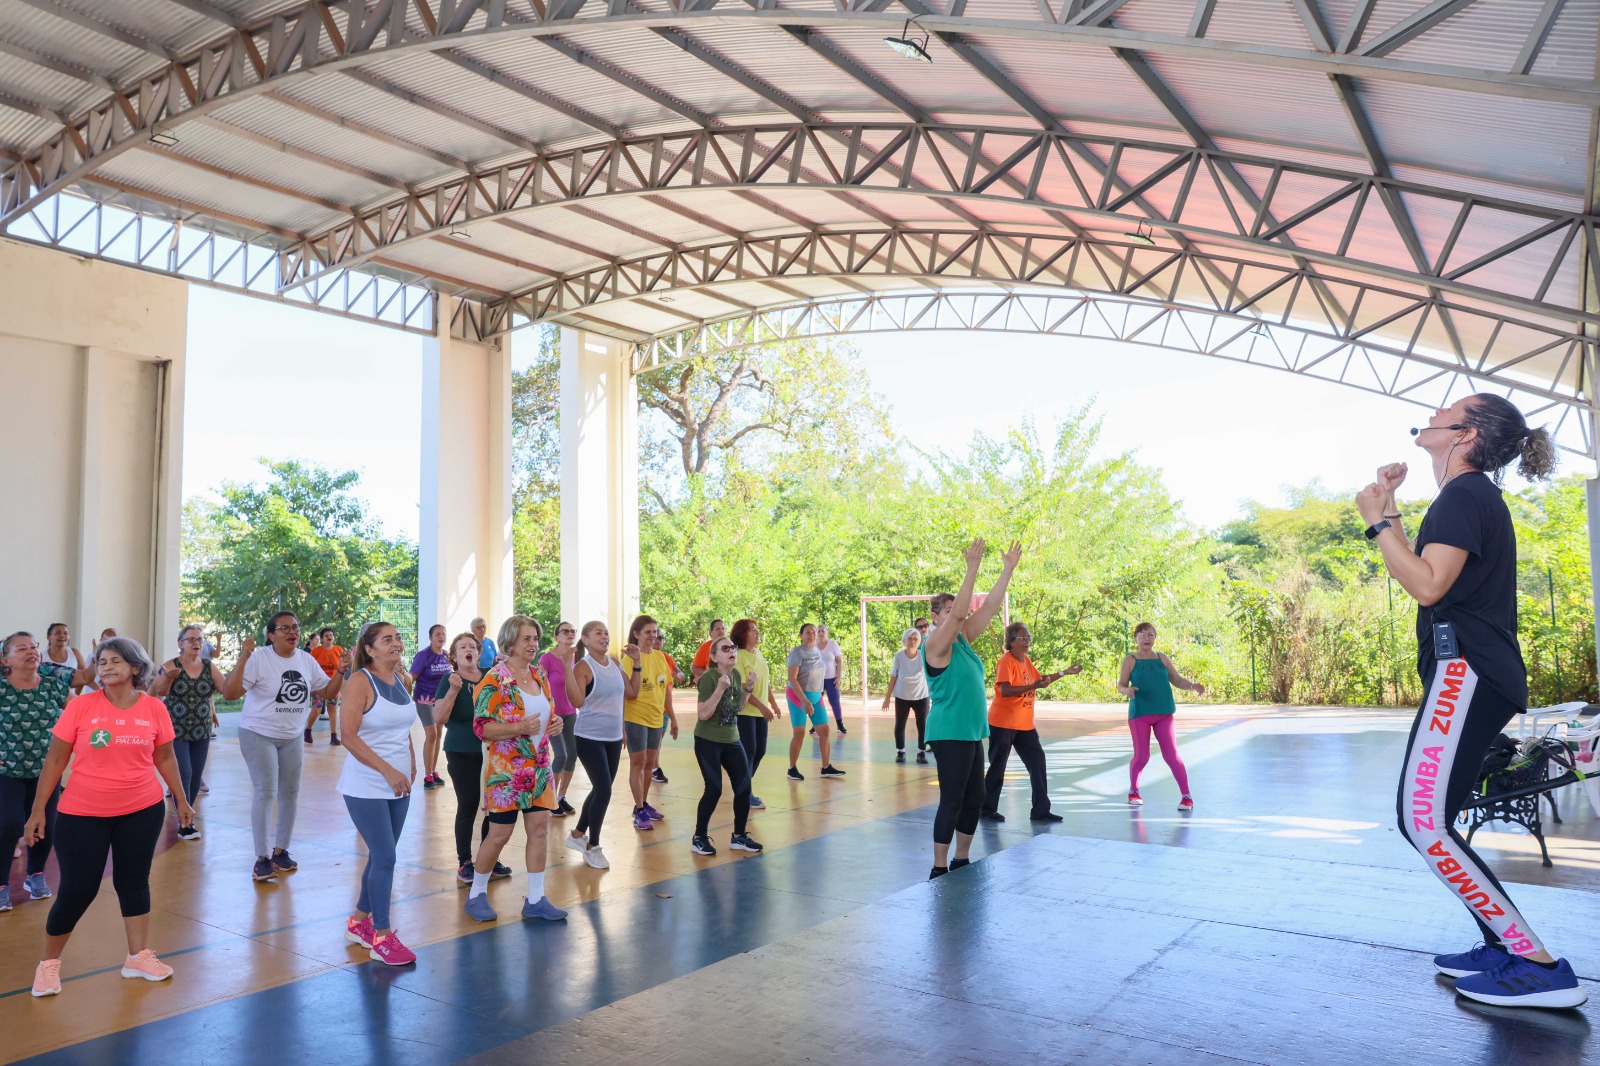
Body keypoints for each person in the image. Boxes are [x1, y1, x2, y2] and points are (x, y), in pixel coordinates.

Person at [1358, 395, 1585, 1009]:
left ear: (1465, 434)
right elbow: (1429, 573)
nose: (1431, 413)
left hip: (1467, 673)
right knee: (1433, 820)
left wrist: (1380, 522)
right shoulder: (1466, 497)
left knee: (1422, 821)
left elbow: (1428, 586)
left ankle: (1538, 964)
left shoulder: (1465, 496)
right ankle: (1501, 944)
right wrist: (1392, 510)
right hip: (1471, 672)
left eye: (1446, 410)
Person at [25, 637, 192, 998]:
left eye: (116, 660)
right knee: (78, 889)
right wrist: (38, 809)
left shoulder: (153, 709)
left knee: (133, 883)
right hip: (82, 813)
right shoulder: (81, 707)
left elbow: (165, 758)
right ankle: (49, 964)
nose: (106, 666)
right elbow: (55, 760)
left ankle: (137, 956)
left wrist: (181, 799)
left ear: (136, 668)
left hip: (142, 809)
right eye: (101, 661)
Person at [222, 611, 347, 882]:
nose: (293, 632)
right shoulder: (259, 658)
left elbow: (327, 692)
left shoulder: (306, 659)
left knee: (290, 793)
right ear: (270, 635)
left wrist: (340, 671)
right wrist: (244, 656)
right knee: (266, 791)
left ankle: (281, 851)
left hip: (291, 735)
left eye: (296, 627)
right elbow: (230, 693)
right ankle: (262, 858)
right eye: (284, 628)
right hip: (258, 733)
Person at [924, 538, 1020, 879]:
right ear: (936, 618)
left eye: (955, 610)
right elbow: (962, 613)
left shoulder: (962, 640)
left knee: (975, 797)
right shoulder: (934, 643)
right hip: (948, 730)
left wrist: (1007, 570)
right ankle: (939, 867)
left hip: (970, 731)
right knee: (951, 798)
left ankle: (961, 859)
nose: (957, 614)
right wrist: (972, 568)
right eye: (948, 610)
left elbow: (989, 607)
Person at [462, 616, 568, 923]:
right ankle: (476, 893)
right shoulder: (494, 679)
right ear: (509, 642)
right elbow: (481, 728)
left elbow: (546, 713)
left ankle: (535, 898)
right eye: (526, 638)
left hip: (538, 767)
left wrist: (555, 723)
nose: (533, 644)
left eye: (535, 638)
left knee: (539, 830)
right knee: (499, 834)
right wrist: (518, 727)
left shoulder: (539, 675)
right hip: (506, 772)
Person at [336, 622, 419, 965]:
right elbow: (349, 736)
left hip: (399, 784)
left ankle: (358, 921)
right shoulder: (360, 682)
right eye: (387, 639)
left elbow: (403, 729)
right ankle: (382, 937)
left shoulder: (401, 680)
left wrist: (411, 764)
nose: (396, 643)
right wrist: (386, 769)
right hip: (366, 786)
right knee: (385, 857)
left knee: (379, 856)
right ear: (369, 649)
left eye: (398, 637)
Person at [1, 632, 91, 912]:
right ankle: (2, 885)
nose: (31, 651)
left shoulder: (54, 687)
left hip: (46, 771)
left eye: (34, 647)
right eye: (21, 648)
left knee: (46, 825)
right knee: (8, 825)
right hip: (8, 771)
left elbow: (82, 713)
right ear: (6, 660)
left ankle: (35, 874)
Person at [981, 623, 1079, 823]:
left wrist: (1063, 673)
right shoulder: (1005, 662)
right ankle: (987, 809)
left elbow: (1040, 680)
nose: (1027, 642)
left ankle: (1041, 810)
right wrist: (1033, 685)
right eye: (1022, 638)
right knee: (998, 766)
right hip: (1003, 723)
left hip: (1024, 724)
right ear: (1010, 641)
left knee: (1037, 762)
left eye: (1028, 638)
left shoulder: (1025, 660)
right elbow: (1005, 690)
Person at [561, 621, 639, 869]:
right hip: (589, 737)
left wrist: (636, 663)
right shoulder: (583, 667)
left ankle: (576, 835)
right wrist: (566, 666)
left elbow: (631, 693)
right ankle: (592, 845)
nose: (605, 636)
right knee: (604, 790)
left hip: (613, 737)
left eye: (606, 632)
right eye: (598, 633)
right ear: (585, 639)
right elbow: (577, 701)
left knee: (599, 789)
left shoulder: (615, 663)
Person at [436, 632, 509, 885]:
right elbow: (440, 718)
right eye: (462, 647)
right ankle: (465, 861)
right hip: (462, 751)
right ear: (454, 656)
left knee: (494, 807)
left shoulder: (492, 675)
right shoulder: (450, 680)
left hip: (493, 751)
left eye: (473, 647)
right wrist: (454, 691)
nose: (468, 650)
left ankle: (489, 860)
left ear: (479, 653)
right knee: (468, 805)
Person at [149, 625, 227, 841]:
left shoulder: (209, 666)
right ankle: (185, 823)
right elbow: (158, 691)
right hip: (175, 730)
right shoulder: (170, 666)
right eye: (191, 639)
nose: (196, 643)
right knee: (184, 773)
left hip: (201, 730)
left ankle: (187, 814)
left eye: (199, 639)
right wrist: (169, 678)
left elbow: (226, 689)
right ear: (180, 643)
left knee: (195, 778)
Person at [690, 637, 764, 856]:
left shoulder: (736, 676)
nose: (732, 650)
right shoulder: (709, 678)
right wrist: (720, 689)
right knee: (713, 789)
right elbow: (703, 714)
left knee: (744, 786)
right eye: (725, 648)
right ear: (714, 657)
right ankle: (699, 838)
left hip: (732, 740)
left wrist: (748, 688)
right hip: (708, 741)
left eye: (733, 647)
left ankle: (739, 836)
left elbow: (737, 708)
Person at [1115, 623, 1201, 810]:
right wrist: (1126, 691)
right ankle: (1134, 791)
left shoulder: (1162, 658)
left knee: (1172, 756)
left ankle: (1186, 796)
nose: (1147, 638)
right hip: (1140, 714)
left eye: (1151, 634)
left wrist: (1193, 685)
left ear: (1155, 638)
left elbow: (1177, 680)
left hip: (1164, 713)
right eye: (1143, 634)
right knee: (1142, 756)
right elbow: (1120, 685)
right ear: (1136, 638)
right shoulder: (1129, 660)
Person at [623, 615, 679, 829]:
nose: (652, 636)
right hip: (636, 717)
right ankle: (638, 810)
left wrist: (672, 717)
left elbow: (665, 690)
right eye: (648, 632)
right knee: (638, 763)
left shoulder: (660, 658)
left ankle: (644, 804)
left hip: (656, 718)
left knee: (649, 765)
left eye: (655, 632)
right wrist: (622, 725)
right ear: (636, 634)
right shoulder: (629, 659)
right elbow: (626, 693)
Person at [785, 624, 843, 780]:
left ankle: (826, 767)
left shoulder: (817, 650)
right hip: (798, 696)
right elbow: (792, 678)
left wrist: (815, 697)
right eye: (807, 633)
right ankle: (792, 769)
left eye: (814, 632)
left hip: (816, 696)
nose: (811, 635)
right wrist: (804, 700)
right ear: (801, 635)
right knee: (799, 733)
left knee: (824, 731)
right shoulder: (797, 652)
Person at [730, 619, 778, 809]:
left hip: (759, 713)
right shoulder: (739, 656)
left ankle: (743, 788)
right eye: (752, 630)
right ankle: (745, 793)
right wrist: (762, 707)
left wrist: (772, 702)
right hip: (746, 712)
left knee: (760, 751)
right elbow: (744, 689)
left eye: (757, 630)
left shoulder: (758, 654)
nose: (757, 633)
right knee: (749, 751)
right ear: (743, 634)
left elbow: (765, 682)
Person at [539, 622, 581, 816]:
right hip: (553, 715)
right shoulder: (547, 658)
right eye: (565, 631)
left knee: (572, 755)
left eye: (573, 631)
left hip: (570, 712)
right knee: (561, 755)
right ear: (556, 637)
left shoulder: (575, 657)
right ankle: (550, 798)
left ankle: (561, 797)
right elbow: (539, 686)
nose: (570, 634)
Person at [410, 625, 452, 792]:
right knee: (432, 734)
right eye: (437, 634)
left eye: (443, 634)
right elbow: (411, 677)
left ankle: (433, 772)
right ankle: (427, 775)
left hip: (440, 701)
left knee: (438, 734)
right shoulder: (423, 656)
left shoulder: (446, 656)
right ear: (430, 638)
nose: (441, 637)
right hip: (424, 699)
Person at [881, 628, 931, 764]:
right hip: (902, 695)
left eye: (915, 639)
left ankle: (921, 752)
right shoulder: (899, 656)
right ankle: (901, 751)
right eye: (910, 638)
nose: (912, 641)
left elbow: (930, 675)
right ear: (905, 640)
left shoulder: (923, 656)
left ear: (919, 641)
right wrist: (887, 698)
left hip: (921, 695)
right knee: (900, 724)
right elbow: (893, 676)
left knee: (923, 725)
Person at [306, 628, 344, 746]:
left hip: (333, 683)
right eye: (326, 635)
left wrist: (340, 685)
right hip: (318, 683)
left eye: (331, 635)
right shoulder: (316, 651)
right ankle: (308, 730)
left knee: (332, 708)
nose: (329, 637)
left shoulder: (338, 650)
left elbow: (342, 667)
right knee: (317, 708)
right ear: (322, 639)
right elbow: (310, 668)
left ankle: (333, 736)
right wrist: (311, 684)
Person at [816, 624, 847, 735]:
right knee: (816, 702)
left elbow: (839, 661)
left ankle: (840, 724)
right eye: (818, 631)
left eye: (822, 631)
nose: (820, 633)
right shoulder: (813, 645)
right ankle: (816, 725)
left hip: (832, 679)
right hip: (817, 680)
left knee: (834, 701)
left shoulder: (833, 644)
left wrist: (838, 678)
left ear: (827, 633)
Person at [40, 624, 85, 694]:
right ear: (49, 637)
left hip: (70, 701)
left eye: (65, 633)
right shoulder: (41, 657)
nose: (62, 636)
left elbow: (84, 677)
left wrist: (76, 696)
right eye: (58, 633)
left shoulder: (75, 653)